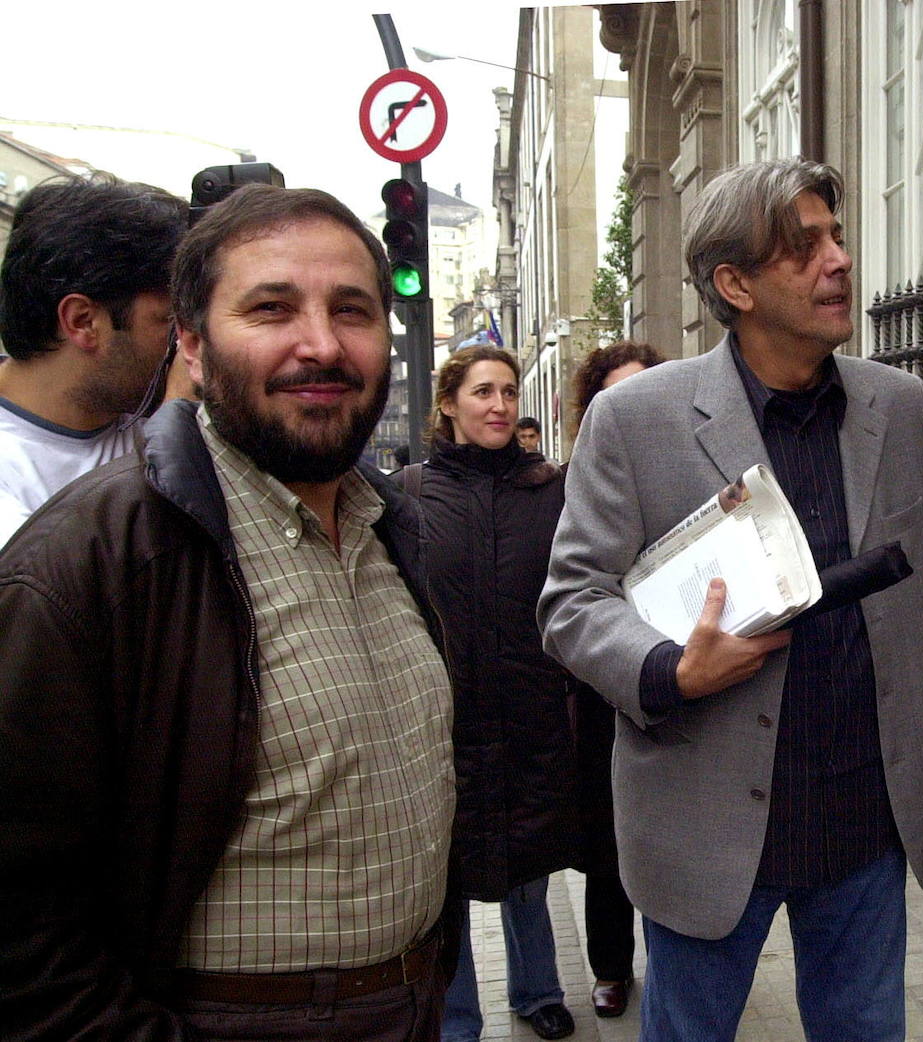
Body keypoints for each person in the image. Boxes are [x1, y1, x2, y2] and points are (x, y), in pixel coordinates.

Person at [538, 157, 923, 1042]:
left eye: (837, 236)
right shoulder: (637, 420)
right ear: (734, 283)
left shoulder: (895, 405)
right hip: (707, 825)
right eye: (804, 247)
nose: (839, 260)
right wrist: (671, 669)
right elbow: (571, 600)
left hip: (864, 821)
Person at [0, 184, 458, 1042]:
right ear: (193, 345)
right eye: (272, 309)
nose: (321, 344)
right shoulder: (87, 562)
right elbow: (22, 930)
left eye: (352, 310)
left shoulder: (389, 525)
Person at [421, 346, 579, 1042]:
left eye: (509, 392)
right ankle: (457, 1016)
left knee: (529, 866)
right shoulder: (408, 496)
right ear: (449, 403)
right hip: (444, 720)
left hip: (532, 712)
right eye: (483, 392)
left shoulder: (552, 490)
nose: (500, 405)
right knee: (446, 879)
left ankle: (537, 989)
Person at [0, 174, 187, 546]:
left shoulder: (135, 418)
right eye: (169, 322)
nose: (188, 345)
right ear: (83, 322)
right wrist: (176, 435)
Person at [566, 338, 666, 1019]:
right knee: (609, 841)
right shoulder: (575, 484)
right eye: (615, 397)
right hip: (603, 686)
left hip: (685, 678)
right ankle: (610, 965)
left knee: (675, 835)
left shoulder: (690, 473)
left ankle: (681, 963)